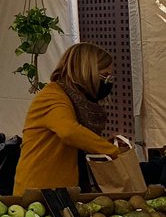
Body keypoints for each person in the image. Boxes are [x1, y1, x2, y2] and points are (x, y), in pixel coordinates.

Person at [14, 42, 126, 192]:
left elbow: (75, 139)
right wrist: (112, 151)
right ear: (87, 71)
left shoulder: (72, 98)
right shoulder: (52, 96)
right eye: (105, 76)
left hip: (63, 189)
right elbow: (69, 131)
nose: (107, 83)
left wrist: (103, 143)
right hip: (40, 191)